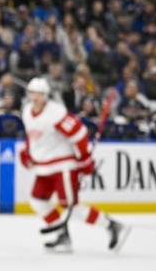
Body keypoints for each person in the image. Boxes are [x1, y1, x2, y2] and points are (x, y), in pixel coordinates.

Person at [19, 77, 130, 253]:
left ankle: (112, 226)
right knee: (38, 201)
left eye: (39, 94)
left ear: (46, 96)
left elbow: (79, 133)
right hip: (43, 166)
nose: (35, 97)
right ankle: (62, 235)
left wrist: (84, 160)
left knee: (70, 206)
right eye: (32, 93)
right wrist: (26, 153)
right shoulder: (26, 111)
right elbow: (31, 136)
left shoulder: (55, 113)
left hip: (62, 165)